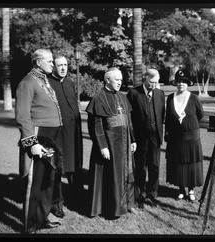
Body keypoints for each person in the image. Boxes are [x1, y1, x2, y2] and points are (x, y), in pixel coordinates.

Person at [15, 49, 62, 234]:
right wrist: (32, 143)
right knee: (34, 183)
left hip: (51, 136)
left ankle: (42, 219)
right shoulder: (27, 82)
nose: (53, 64)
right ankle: (29, 224)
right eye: (49, 61)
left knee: (47, 181)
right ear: (37, 62)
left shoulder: (44, 80)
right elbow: (22, 115)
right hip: (38, 136)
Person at [85, 67, 139, 218]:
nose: (120, 83)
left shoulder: (123, 96)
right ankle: (114, 208)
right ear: (107, 80)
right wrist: (102, 146)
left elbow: (129, 121)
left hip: (125, 143)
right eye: (117, 80)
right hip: (110, 145)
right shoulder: (98, 99)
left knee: (128, 173)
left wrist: (133, 140)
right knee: (112, 177)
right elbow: (96, 127)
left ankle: (129, 203)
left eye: (121, 80)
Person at [47, 55, 84, 215]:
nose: (63, 68)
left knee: (75, 166)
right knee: (57, 168)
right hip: (58, 134)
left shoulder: (69, 82)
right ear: (54, 67)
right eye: (59, 65)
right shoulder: (48, 83)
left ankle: (78, 200)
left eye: (65, 65)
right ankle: (57, 205)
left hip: (74, 133)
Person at [127, 68, 166, 209]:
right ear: (145, 78)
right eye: (152, 82)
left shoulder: (159, 94)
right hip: (140, 138)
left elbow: (162, 115)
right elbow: (129, 118)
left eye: (156, 82)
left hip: (155, 136)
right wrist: (132, 139)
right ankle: (140, 195)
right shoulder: (133, 93)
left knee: (155, 166)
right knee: (141, 167)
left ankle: (152, 194)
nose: (154, 85)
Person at [164, 67, 204, 202]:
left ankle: (191, 190)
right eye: (179, 81)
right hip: (176, 138)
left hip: (192, 138)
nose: (181, 84)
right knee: (178, 163)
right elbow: (168, 118)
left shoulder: (193, 98)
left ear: (188, 84)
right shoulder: (170, 98)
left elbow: (200, 115)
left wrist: (188, 123)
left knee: (191, 164)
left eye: (184, 82)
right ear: (176, 83)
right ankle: (181, 189)